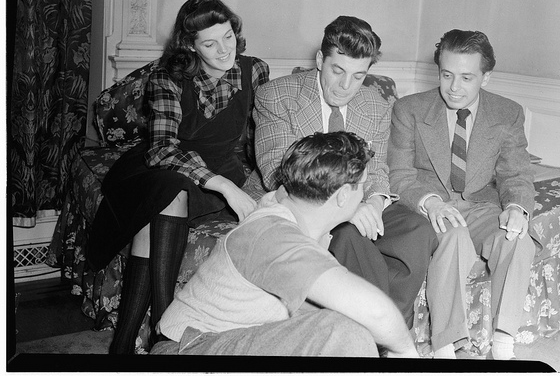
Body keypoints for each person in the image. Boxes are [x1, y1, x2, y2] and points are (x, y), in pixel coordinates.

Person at [86, 0, 270, 354]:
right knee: (171, 188)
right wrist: (225, 188)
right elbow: (162, 150)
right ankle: (164, 328)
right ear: (191, 45)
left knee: (163, 205)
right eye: (209, 43)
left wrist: (260, 184)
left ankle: (124, 345)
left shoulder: (255, 70)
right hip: (153, 169)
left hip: (212, 173)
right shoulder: (167, 77)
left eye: (228, 36)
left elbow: (261, 136)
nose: (223, 50)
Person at [151, 131, 420, 358]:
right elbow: (377, 312)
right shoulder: (271, 233)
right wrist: (407, 353)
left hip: (232, 340)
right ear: (342, 196)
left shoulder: (298, 214)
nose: (364, 194)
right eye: (362, 186)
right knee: (345, 332)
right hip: (188, 350)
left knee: (346, 325)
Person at [250, 15, 433, 327]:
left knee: (418, 230)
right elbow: (278, 174)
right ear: (321, 60)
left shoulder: (376, 105)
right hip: (298, 204)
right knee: (348, 235)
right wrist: (349, 208)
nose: (346, 86)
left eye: (359, 76)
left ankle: (391, 328)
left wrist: (374, 201)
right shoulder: (277, 95)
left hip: (357, 200)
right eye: (338, 71)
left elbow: (377, 168)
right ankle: (372, 336)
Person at [388, 29, 536, 360]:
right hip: (431, 206)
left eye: (467, 77)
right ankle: (445, 348)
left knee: (517, 238)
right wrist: (431, 203)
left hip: (481, 206)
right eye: (447, 75)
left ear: (486, 77)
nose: (454, 87)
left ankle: (502, 345)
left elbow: (516, 173)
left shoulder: (507, 112)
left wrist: (515, 208)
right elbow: (400, 176)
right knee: (452, 234)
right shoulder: (409, 109)